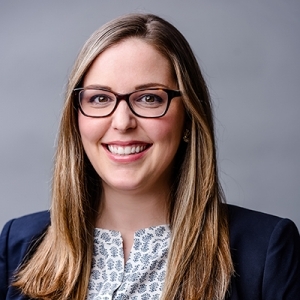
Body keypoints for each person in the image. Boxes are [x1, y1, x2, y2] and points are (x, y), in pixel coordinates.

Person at [0, 13, 299, 300]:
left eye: (149, 98)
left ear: (189, 118)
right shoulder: (18, 243)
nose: (122, 122)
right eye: (100, 98)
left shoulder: (266, 249)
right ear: (76, 118)